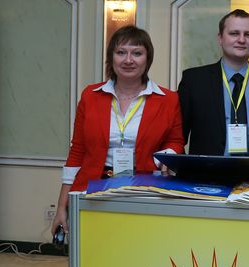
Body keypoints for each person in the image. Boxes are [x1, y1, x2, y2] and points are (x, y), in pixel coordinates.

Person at [51, 26, 185, 235]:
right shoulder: (90, 96)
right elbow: (77, 151)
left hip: (145, 190)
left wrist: (164, 158)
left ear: (147, 59)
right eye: (121, 52)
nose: (128, 60)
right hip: (94, 189)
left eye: (137, 53)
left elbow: (176, 141)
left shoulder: (168, 99)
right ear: (111, 58)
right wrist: (62, 205)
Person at [177, 9, 249, 166]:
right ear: (220, 38)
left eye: (248, 35)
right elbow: (177, 135)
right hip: (206, 175)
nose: (242, 40)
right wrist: (183, 169)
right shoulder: (194, 80)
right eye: (234, 33)